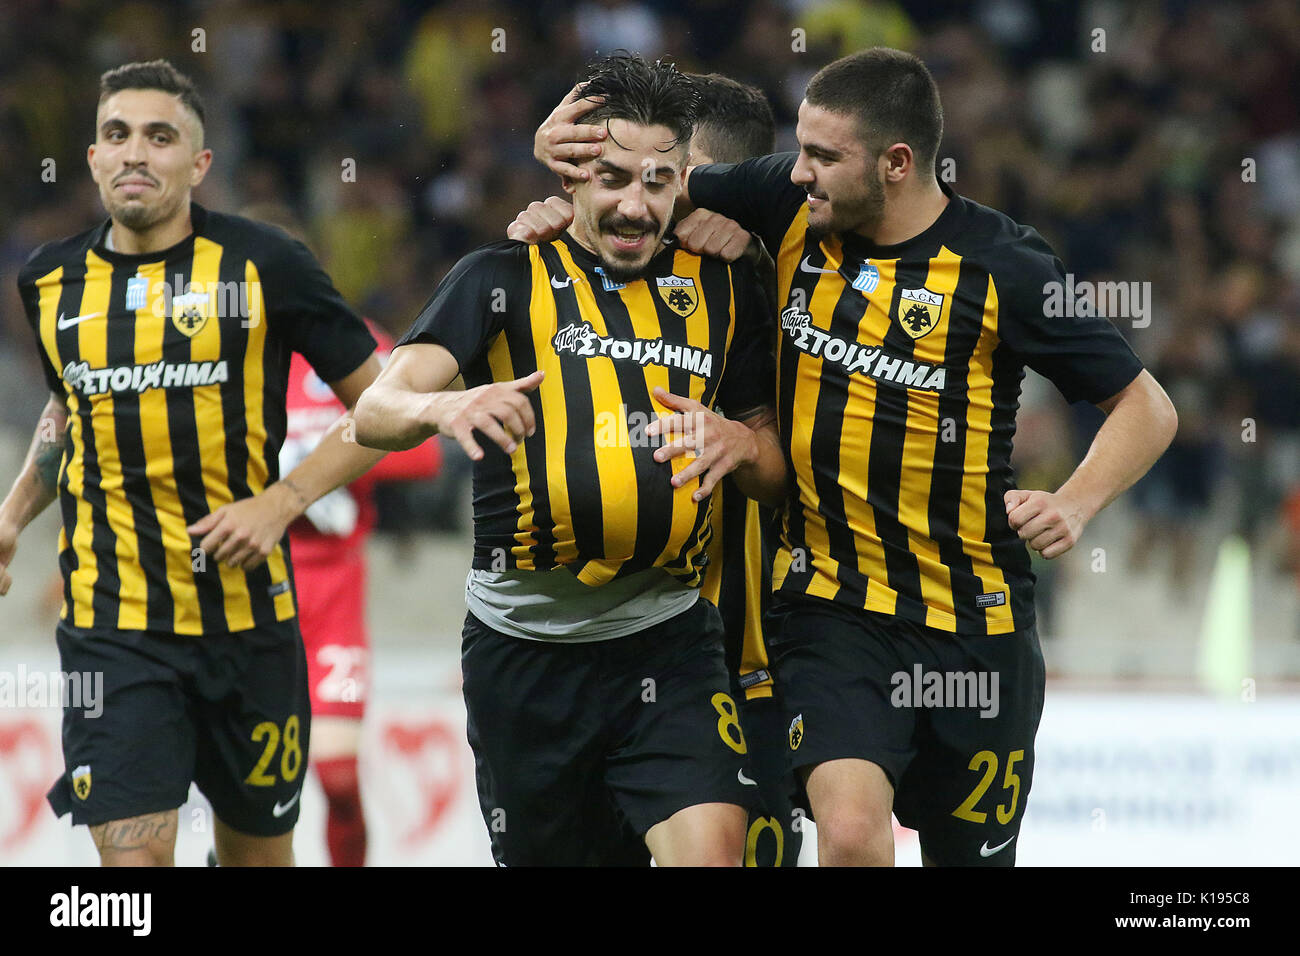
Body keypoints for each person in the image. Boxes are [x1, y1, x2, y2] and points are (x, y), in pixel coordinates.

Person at [530, 47, 1178, 866]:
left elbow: (1146, 407)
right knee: (847, 837)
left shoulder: (1002, 267)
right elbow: (639, 190)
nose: (798, 173)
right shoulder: (788, 199)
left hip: (975, 625)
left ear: (897, 164)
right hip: (833, 612)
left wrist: (1076, 502)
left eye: (824, 157)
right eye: (799, 148)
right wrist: (556, 172)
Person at [354, 52, 788, 866]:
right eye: (614, 178)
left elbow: (773, 469)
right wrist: (448, 406)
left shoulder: (725, 286)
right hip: (526, 651)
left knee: (715, 851)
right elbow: (375, 413)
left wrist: (740, 443)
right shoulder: (498, 278)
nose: (635, 204)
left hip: (669, 635)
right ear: (573, 179)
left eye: (659, 182)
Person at [0, 60, 386, 866]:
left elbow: (384, 410)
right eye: (116, 135)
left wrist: (282, 500)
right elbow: (74, 406)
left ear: (199, 164)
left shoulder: (266, 264)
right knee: (131, 879)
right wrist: (9, 518)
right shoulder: (48, 282)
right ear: (94, 159)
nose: (135, 152)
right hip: (114, 633)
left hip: (251, 634)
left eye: (159, 135)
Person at [512, 71, 802, 867]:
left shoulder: (777, 299)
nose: (646, 204)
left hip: (744, 673)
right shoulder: (570, 271)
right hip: (589, 665)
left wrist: (757, 261)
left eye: (676, 182)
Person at [283, 318, 441, 867]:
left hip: (332, 595)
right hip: (246, 592)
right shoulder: (222, 349)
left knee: (338, 775)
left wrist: (321, 456)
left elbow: (423, 454)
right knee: (246, 785)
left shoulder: (350, 344)